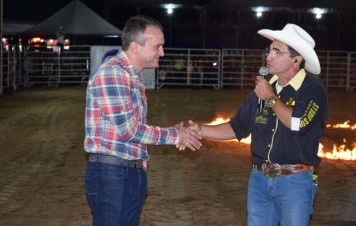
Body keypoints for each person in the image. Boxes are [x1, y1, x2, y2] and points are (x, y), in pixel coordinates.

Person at [187, 24, 328, 226]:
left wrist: (270, 98)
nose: (269, 56)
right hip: (260, 179)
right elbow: (238, 127)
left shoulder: (312, 89)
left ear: (296, 60)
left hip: (295, 182)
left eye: (277, 51)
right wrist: (201, 130)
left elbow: (297, 123)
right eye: (269, 50)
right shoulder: (264, 89)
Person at [84, 15, 202, 226]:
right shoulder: (113, 74)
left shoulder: (131, 78)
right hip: (113, 174)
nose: (162, 52)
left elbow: (130, 130)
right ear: (135, 46)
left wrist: (140, 157)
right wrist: (176, 135)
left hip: (125, 171)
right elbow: (129, 131)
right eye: (158, 46)